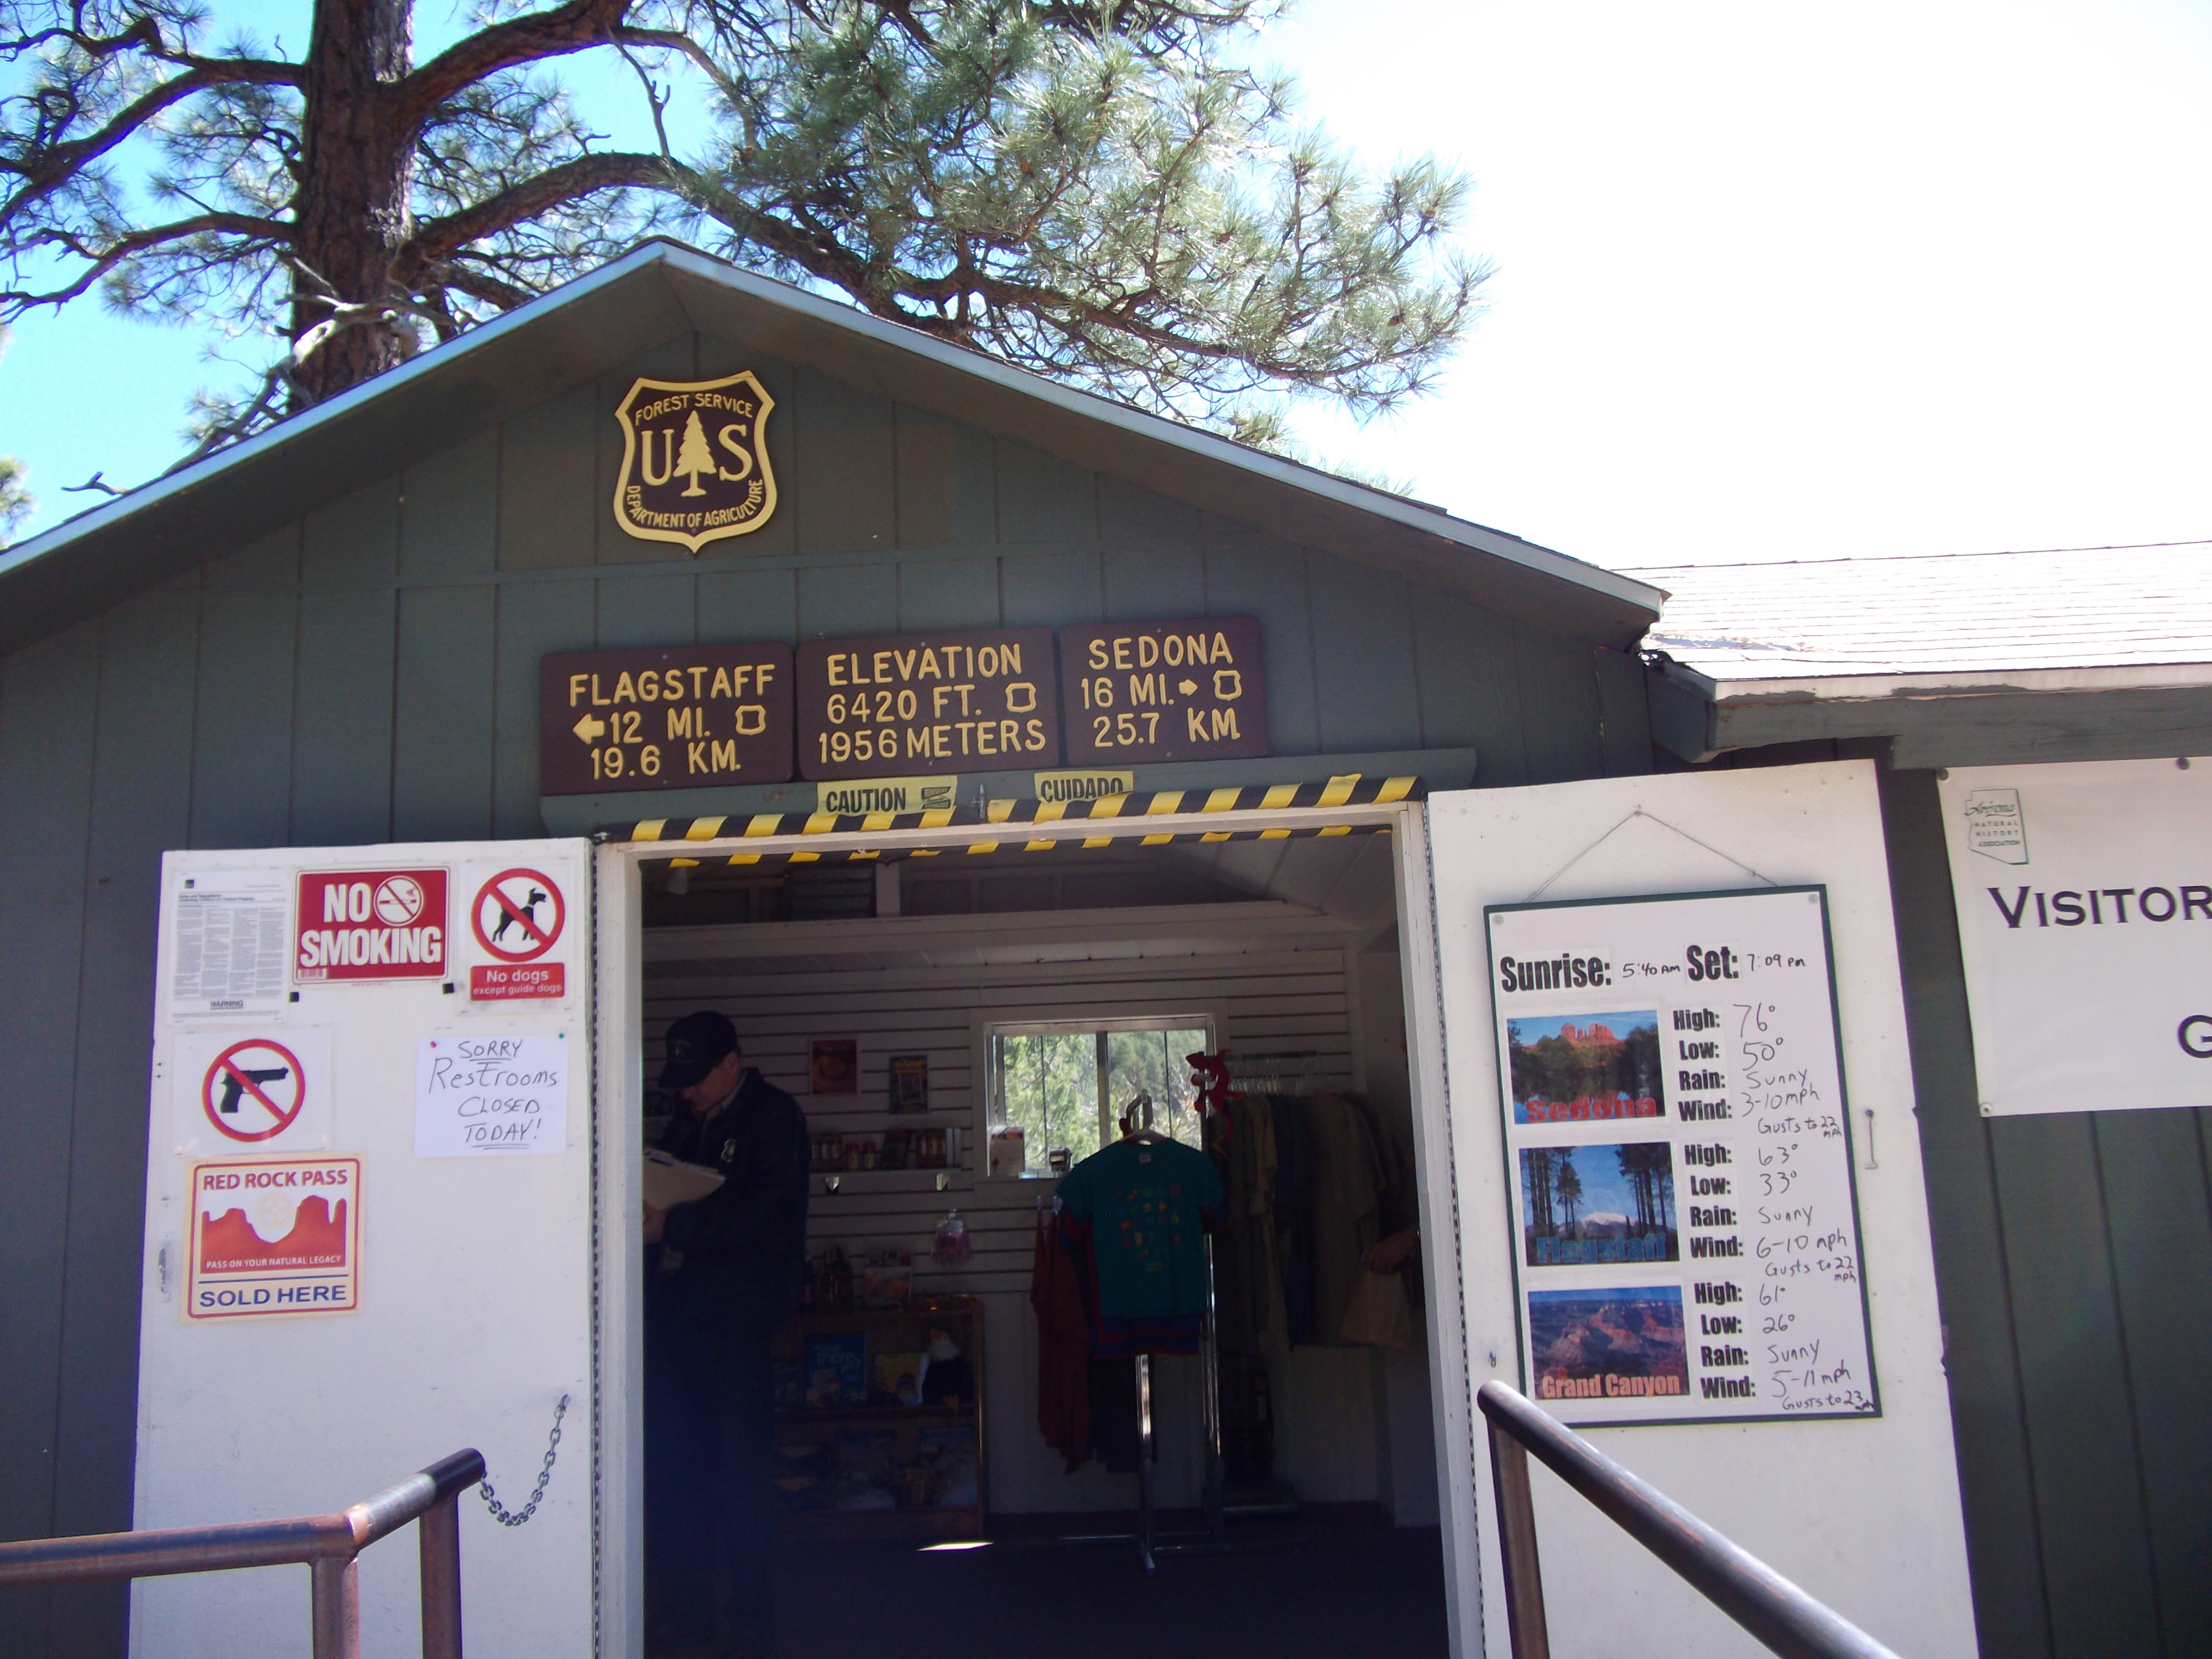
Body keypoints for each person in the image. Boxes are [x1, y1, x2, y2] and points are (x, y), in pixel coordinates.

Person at [644, 1011, 811, 1658]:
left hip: (735, 1324)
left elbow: (762, 1212)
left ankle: (749, 1616)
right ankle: (685, 1614)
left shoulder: (775, 1119)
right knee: (678, 1472)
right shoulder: (688, 1119)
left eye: (696, 1078)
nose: (686, 1092)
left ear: (731, 1064)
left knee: (740, 1477)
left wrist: (674, 1227)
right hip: (677, 1318)